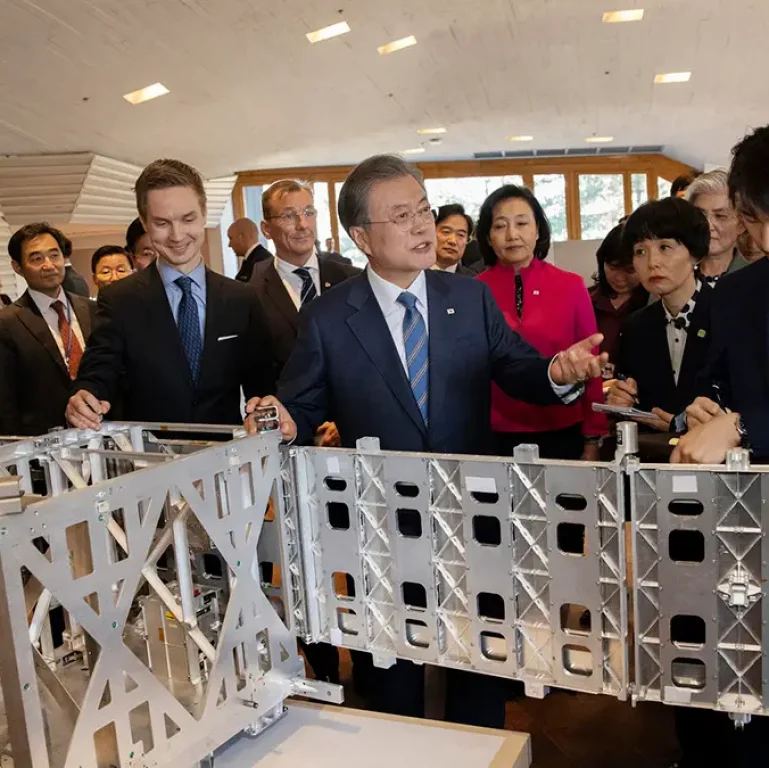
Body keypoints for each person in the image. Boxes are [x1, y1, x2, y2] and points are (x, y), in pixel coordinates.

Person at [242, 154, 606, 728]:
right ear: (361, 236)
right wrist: (284, 417)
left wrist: (557, 373)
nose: (421, 226)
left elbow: (517, 367)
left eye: (423, 211)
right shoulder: (330, 316)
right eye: (401, 215)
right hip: (382, 522)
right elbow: (303, 401)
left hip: (475, 515)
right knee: (393, 673)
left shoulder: (468, 298)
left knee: (480, 662)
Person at [669, 124, 769, 768]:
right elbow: (715, 383)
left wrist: (743, 423)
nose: (755, 236)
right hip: (743, 530)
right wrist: (704, 407)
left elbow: (743, 416)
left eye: (757, 217)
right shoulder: (737, 292)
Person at [65, 158, 274, 429]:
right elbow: (98, 373)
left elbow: (263, 387)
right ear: (144, 222)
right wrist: (84, 398)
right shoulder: (119, 300)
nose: (177, 236)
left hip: (225, 457)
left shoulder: (241, 298)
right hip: (150, 459)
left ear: (203, 213)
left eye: (188, 219)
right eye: (162, 223)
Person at [475, 185, 608, 462]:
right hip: (494, 434)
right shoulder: (473, 291)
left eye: (522, 223)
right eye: (500, 226)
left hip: (562, 430)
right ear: (487, 236)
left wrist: (592, 437)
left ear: (538, 230)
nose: (512, 235)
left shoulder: (571, 285)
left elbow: (589, 365)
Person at [607, 198, 712, 434]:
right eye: (640, 252)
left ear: (695, 254)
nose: (653, 263)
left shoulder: (728, 314)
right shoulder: (635, 326)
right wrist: (620, 399)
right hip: (654, 459)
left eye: (665, 247)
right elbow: (631, 395)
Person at [250, 180, 359, 382]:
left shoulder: (353, 280)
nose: (302, 225)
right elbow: (256, 376)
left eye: (309, 212)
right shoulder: (252, 295)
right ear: (266, 229)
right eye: (289, 216)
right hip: (290, 409)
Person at [0, 223, 95, 436]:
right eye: (36, 259)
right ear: (17, 267)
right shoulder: (7, 324)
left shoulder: (91, 309)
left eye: (54, 255)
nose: (49, 265)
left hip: (101, 430)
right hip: (44, 444)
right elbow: (6, 400)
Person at [589, 223, 648, 366]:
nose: (620, 278)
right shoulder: (585, 299)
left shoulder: (654, 303)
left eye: (629, 270)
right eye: (613, 267)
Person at [685, 169, 747, 287]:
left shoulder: (758, 277)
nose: (708, 225)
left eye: (720, 216)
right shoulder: (672, 273)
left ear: (741, 225)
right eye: (700, 215)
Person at [431, 204, 481, 275]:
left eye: (461, 235)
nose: (453, 241)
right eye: (446, 232)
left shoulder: (474, 281)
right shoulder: (413, 273)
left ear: (468, 240)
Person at [229, 217, 272, 282]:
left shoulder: (261, 262)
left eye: (231, 238)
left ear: (241, 237)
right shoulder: (252, 259)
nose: (229, 245)